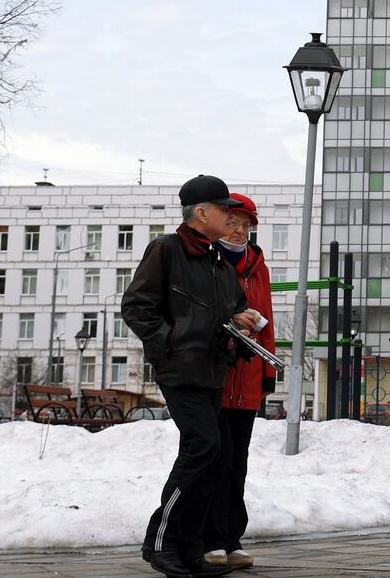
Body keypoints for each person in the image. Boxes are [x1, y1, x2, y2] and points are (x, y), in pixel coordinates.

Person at [122, 175, 260, 578]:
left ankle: (190, 550)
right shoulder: (166, 249)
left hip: (212, 369)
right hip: (181, 369)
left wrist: (240, 317)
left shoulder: (217, 261)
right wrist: (171, 344)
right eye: (224, 210)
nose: (230, 217)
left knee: (212, 455)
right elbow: (136, 307)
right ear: (202, 213)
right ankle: (160, 543)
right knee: (203, 447)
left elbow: (230, 307)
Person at [203, 193, 275, 571]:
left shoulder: (258, 266)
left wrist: (268, 372)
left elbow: (268, 322)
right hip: (214, 374)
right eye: (233, 222)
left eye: (246, 225)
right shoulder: (205, 260)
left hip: (247, 378)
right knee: (218, 456)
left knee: (238, 463)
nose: (239, 231)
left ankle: (232, 538)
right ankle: (210, 538)